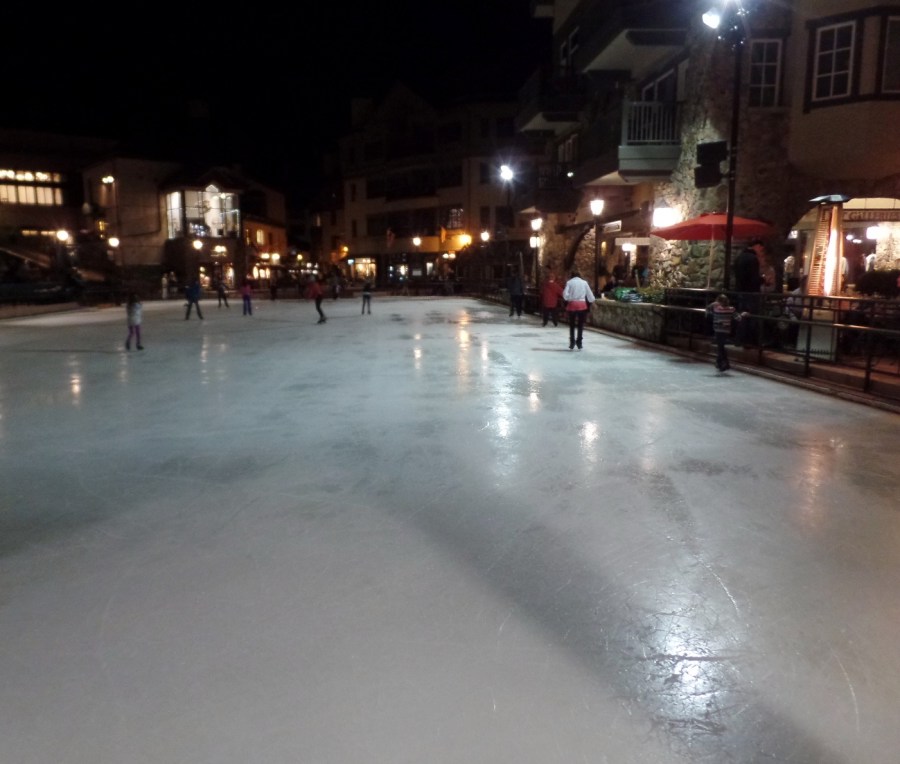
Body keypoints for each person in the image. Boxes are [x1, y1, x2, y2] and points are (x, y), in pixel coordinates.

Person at [707, 293, 743, 373]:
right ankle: (719, 363)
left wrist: (713, 303)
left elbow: (708, 310)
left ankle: (725, 363)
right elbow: (738, 318)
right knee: (721, 345)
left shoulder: (716, 309)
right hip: (726, 330)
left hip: (718, 330)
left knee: (720, 347)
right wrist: (742, 315)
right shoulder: (731, 309)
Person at [562, 268, 595, 350]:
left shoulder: (569, 282)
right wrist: (592, 301)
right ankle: (579, 342)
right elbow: (589, 294)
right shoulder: (584, 283)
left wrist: (569, 298)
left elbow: (565, 294)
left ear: (572, 275)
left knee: (572, 325)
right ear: (580, 275)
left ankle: (572, 342)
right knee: (580, 325)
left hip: (572, 305)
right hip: (582, 305)